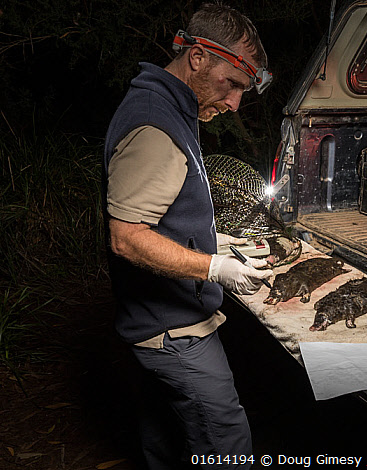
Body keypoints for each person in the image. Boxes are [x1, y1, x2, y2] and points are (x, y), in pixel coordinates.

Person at [102, 3, 273, 468]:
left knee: (164, 435)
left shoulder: (169, 105)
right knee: (226, 439)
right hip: (173, 333)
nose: (237, 102)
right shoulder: (156, 123)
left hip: (153, 325)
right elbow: (129, 237)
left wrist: (217, 244)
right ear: (198, 57)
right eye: (233, 84)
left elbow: (164, 213)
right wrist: (215, 268)